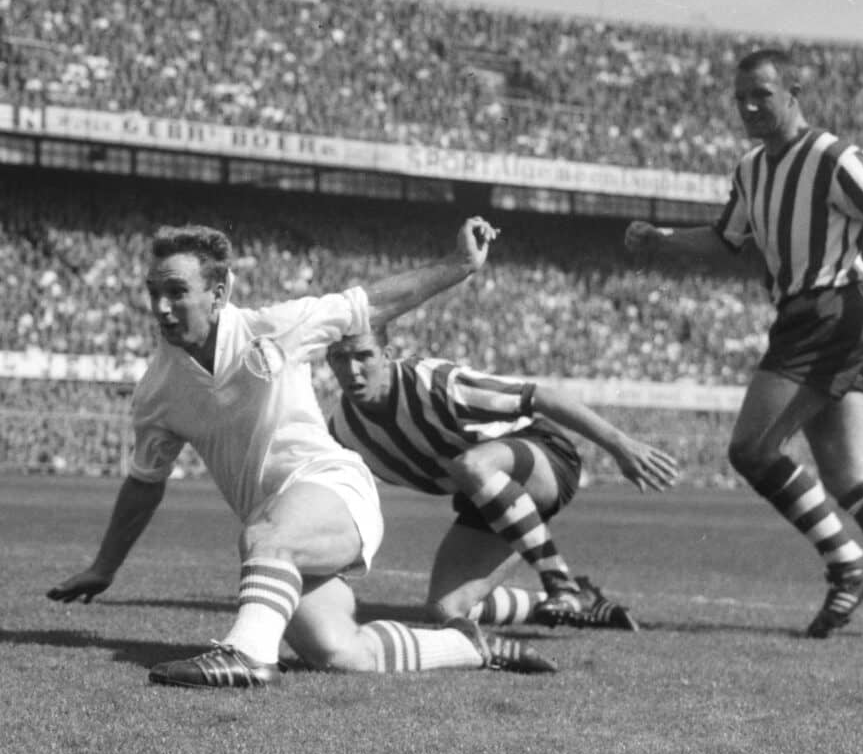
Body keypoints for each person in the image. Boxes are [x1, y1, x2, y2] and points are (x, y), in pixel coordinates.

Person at [47, 215, 561, 686]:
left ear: (219, 293)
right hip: (279, 530)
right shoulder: (158, 390)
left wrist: (460, 265)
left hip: (332, 489)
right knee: (339, 652)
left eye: (177, 292)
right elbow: (144, 483)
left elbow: (371, 304)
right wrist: (105, 567)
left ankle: (247, 655)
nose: (161, 307)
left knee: (266, 537)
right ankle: (466, 646)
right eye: (154, 292)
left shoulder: (274, 327)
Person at [623, 46, 863, 641]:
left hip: (827, 314)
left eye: (762, 93)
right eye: (740, 99)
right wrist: (663, 239)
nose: (750, 107)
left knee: (751, 450)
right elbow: (728, 240)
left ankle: (849, 565)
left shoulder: (833, 157)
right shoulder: (752, 169)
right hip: (805, 317)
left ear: (794, 91)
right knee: (848, 475)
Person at [322, 322, 681, 633]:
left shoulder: (435, 384)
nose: (352, 369)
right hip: (487, 498)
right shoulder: (343, 432)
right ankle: (581, 601)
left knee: (472, 465)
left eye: (363, 356)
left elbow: (539, 397)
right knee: (446, 609)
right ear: (328, 362)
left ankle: (560, 583)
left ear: (386, 354)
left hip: (543, 456)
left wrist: (620, 445)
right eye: (340, 358)